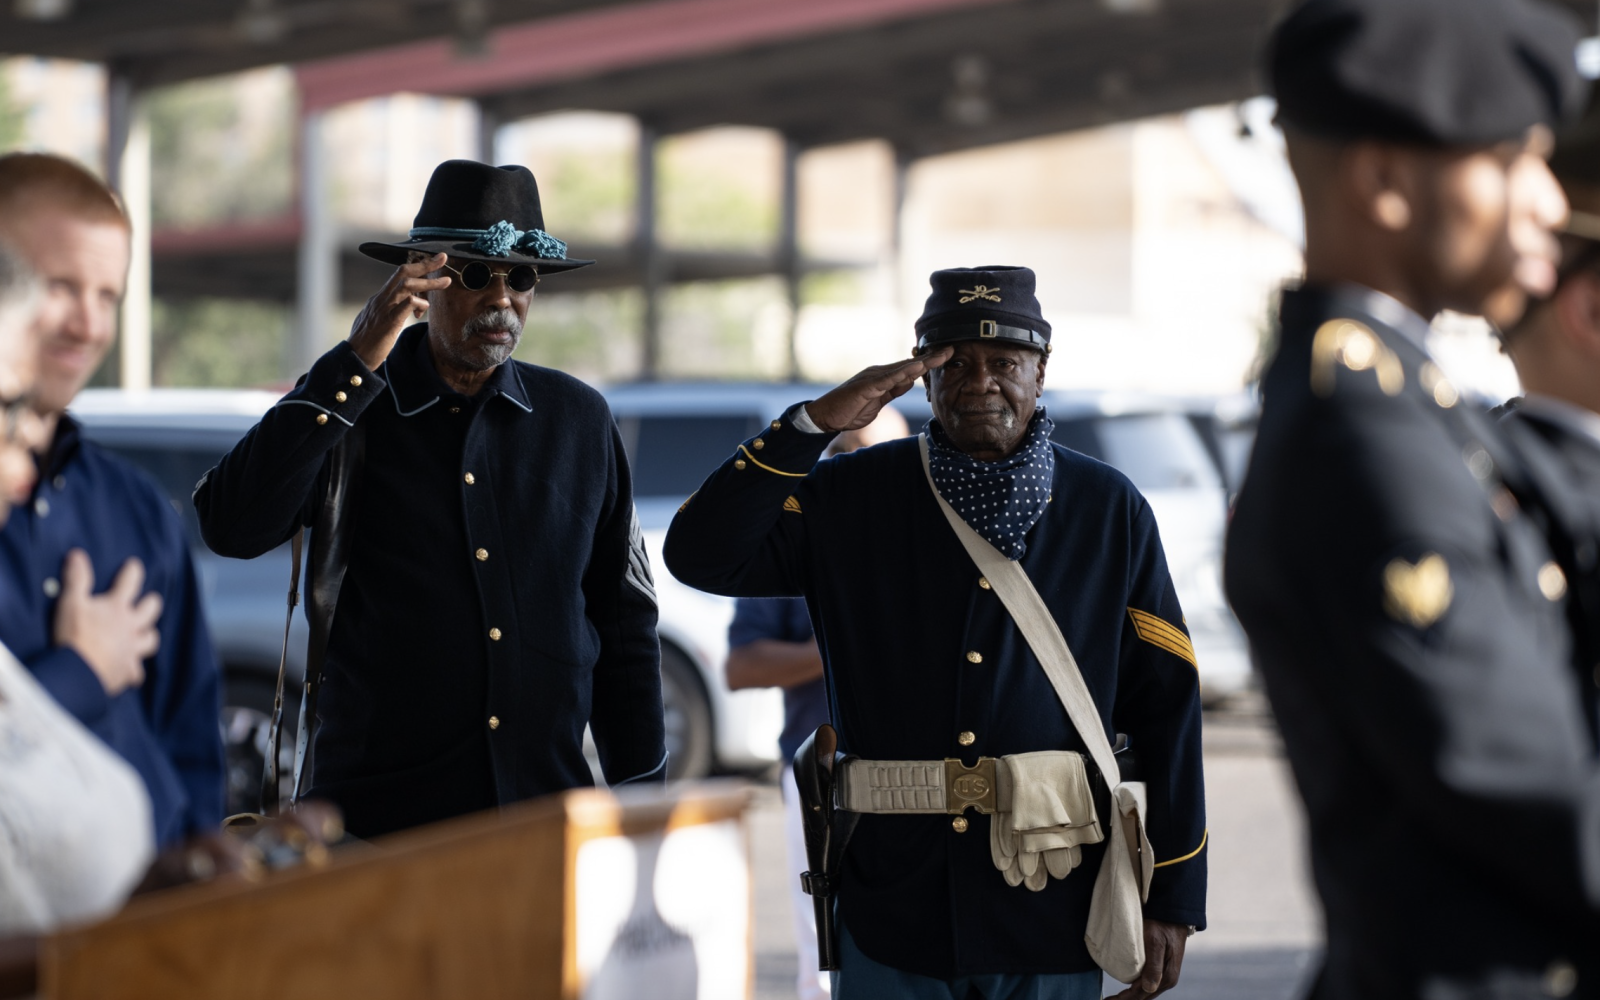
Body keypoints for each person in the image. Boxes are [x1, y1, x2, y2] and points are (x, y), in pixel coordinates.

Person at [666, 266, 1207, 1000]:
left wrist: (1172, 892)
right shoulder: (850, 495)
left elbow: (1167, 705)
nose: (980, 382)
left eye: (1005, 362)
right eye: (955, 364)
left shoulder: (1108, 508)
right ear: (922, 380)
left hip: (1054, 901)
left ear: (1041, 372)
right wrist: (814, 425)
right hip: (892, 902)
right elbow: (700, 553)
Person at [1223, 1, 1600, 997]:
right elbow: (1527, 785)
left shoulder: (1410, 408)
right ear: (1386, 184)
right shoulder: (1364, 437)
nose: (1547, 203)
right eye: (1514, 161)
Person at [195, 160, 666, 839]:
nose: (501, 298)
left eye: (521, 277)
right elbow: (231, 525)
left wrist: (643, 800)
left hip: (543, 822)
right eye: (475, 275)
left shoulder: (579, 420)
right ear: (421, 279)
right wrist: (354, 361)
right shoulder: (349, 407)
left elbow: (623, 626)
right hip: (379, 830)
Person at [0, 153, 226, 851]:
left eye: (108, 296)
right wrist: (82, 673)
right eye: (61, 286)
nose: (89, 325)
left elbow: (191, 747)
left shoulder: (138, 508)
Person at [724, 406, 908, 1000]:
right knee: (825, 965)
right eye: (849, 451)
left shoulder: (938, 536)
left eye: (888, 456)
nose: (865, 468)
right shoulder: (803, 534)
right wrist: (841, 644)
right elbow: (741, 666)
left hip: (925, 782)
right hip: (822, 779)